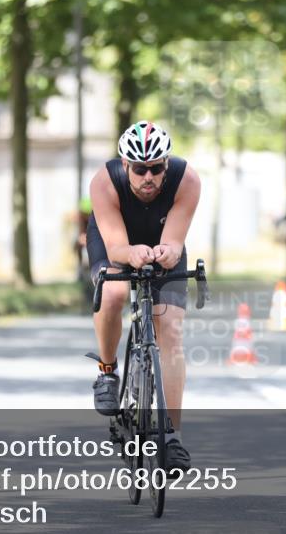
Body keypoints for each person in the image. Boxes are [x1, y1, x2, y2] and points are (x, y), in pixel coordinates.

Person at [85, 121, 201, 471]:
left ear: (166, 164)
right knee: (114, 293)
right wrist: (130, 252)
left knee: (170, 330)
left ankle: (171, 437)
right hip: (115, 242)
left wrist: (168, 252)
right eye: (139, 169)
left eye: (156, 168)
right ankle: (108, 371)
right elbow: (117, 247)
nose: (148, 177)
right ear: (125, 165)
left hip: (161, 241)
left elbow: (175, 241)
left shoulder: (187, 180)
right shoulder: (104, 182)